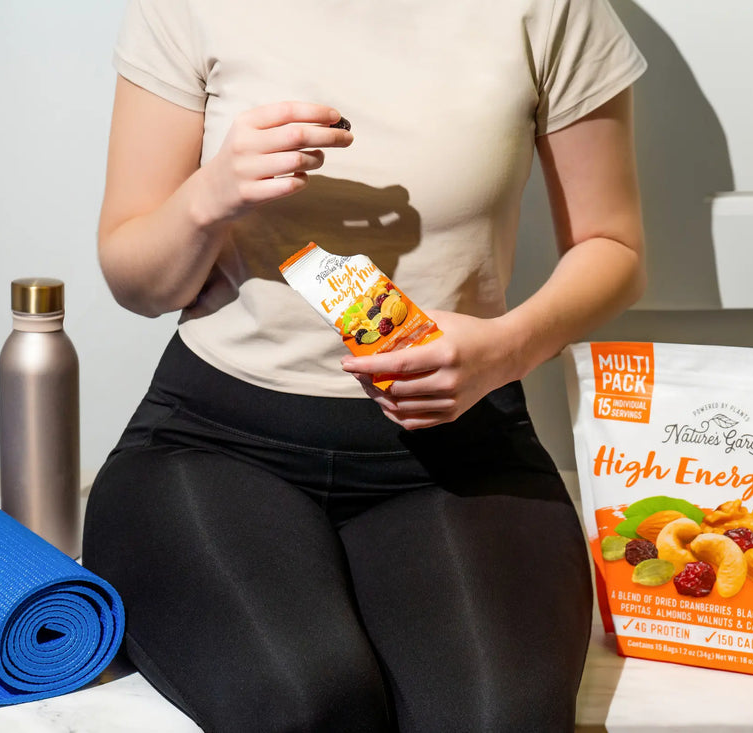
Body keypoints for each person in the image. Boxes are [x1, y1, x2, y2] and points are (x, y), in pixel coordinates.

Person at [82, 0, 647, 730]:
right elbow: (136, 281)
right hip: (215, 445)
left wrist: (505, 348)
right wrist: (209, 196)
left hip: (459, 453)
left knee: (495, 718)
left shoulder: (551, 9)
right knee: (307, 707)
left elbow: (615, 247)